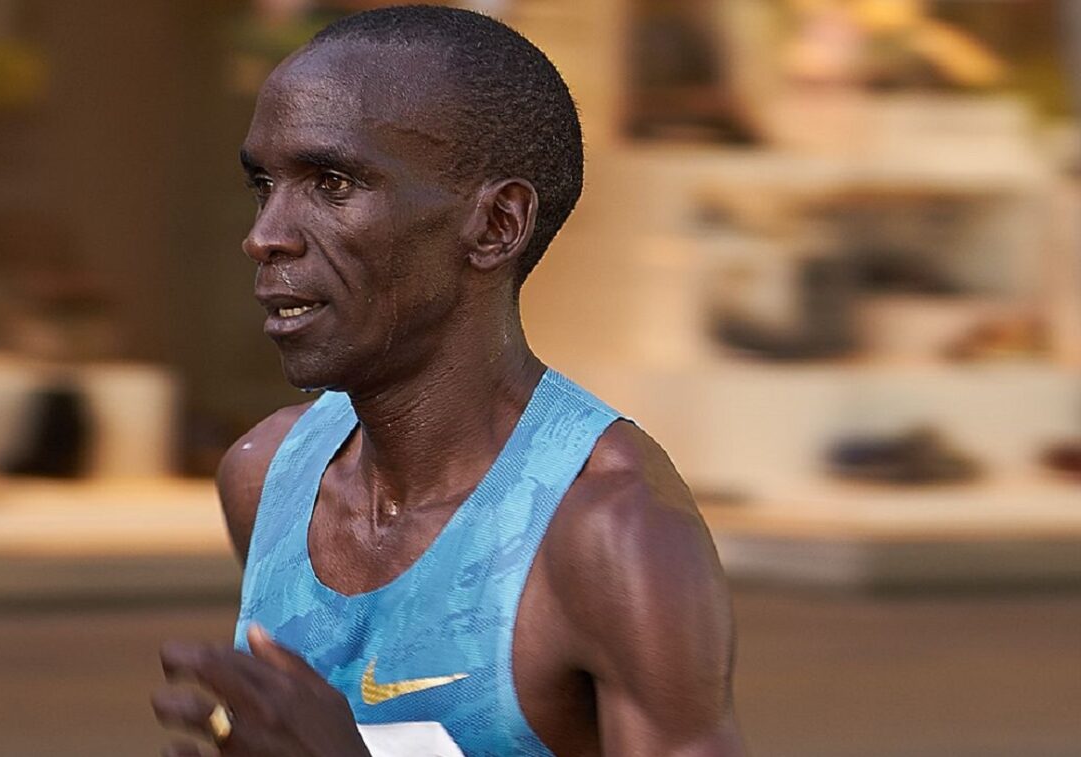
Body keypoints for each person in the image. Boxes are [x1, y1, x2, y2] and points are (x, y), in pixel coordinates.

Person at [153, 6, 744, 756]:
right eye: (263, 184)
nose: (265, 234)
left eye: (331, 183)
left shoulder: (610, 533)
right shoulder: (266, 476)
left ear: (496, 224)